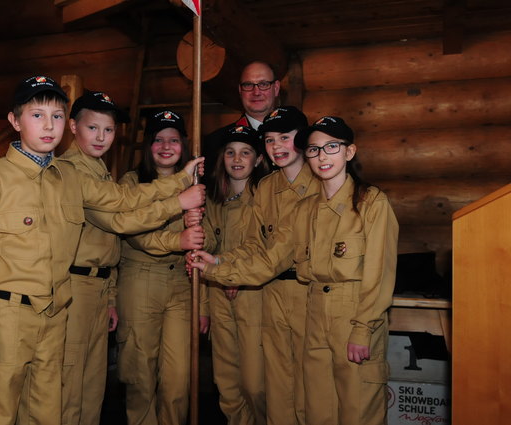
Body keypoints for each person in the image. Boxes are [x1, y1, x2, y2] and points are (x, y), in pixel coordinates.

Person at [0, 76, 204, 425]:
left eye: (56, 116)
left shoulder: (68, 178)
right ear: (14, 121)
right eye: (37, 115)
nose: (48, 126)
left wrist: (180, 180)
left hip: (56, 312)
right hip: (7, 313)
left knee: (48, 412)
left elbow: (121, 200)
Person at [189, 116, 399, 425]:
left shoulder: (371, 203)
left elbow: (379, 276)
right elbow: (271, 258)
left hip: (351, 315)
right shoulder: (304, 210)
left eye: (331, 147)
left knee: (358, 411)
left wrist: (363, 328)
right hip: (313, 314)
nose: (322, 156)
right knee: (316, 411)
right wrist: (215, 266)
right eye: (314, 150)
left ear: (349, 152)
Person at [59, 91, 207, 425]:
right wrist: (178, 218)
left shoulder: (100, 171)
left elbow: (211, 236)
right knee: (126, 377)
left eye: (108, 130)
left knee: (168, 381)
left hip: (145, 284)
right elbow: (124, 225)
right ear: (73, 127)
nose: (101, 137)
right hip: (117, 284)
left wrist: (194, 224)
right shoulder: (101, 177)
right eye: (158, 140)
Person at [115, 110, 213, 425]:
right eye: (158, 139)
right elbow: (135, 235)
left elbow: (210, 237)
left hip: (183, 284)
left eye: (173, 139)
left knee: (179, 379)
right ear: (148, 146)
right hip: (140, 282)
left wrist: (196, 230)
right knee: (140, 373)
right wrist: (178, 238)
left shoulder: (198, 185)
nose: (166, 146)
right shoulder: (133, 182)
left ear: (183, 145)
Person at [201, 124, 270, 425]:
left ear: (257, 160)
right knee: (227, 383)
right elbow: (203, 248)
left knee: (256, 385)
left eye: (245, 152)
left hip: (254, 296)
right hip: (218, 295)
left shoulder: (265, 199)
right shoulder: (214, 202)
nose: (237, 159)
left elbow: (263, 247)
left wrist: (226, 268)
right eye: (230, 152)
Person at [203, 61, 280, 176]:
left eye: (263, 84)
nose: (256, 92)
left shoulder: (295, 138)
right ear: (240, 90)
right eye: (248, 85)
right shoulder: (216, 142)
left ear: (276, 88)